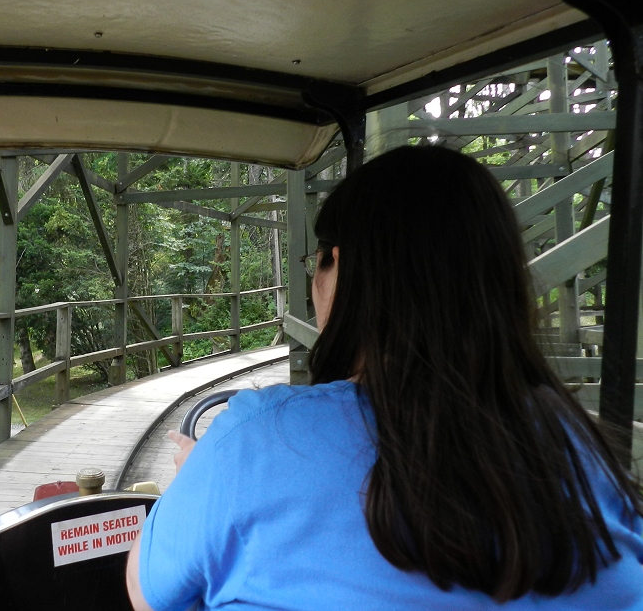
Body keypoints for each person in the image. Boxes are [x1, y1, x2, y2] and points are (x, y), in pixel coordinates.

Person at [126, 145, 643, 610]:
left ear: (343, 267)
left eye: (316, 262)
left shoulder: (257, 437)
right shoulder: (581, 447)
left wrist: (201, 476)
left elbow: (147, 593)